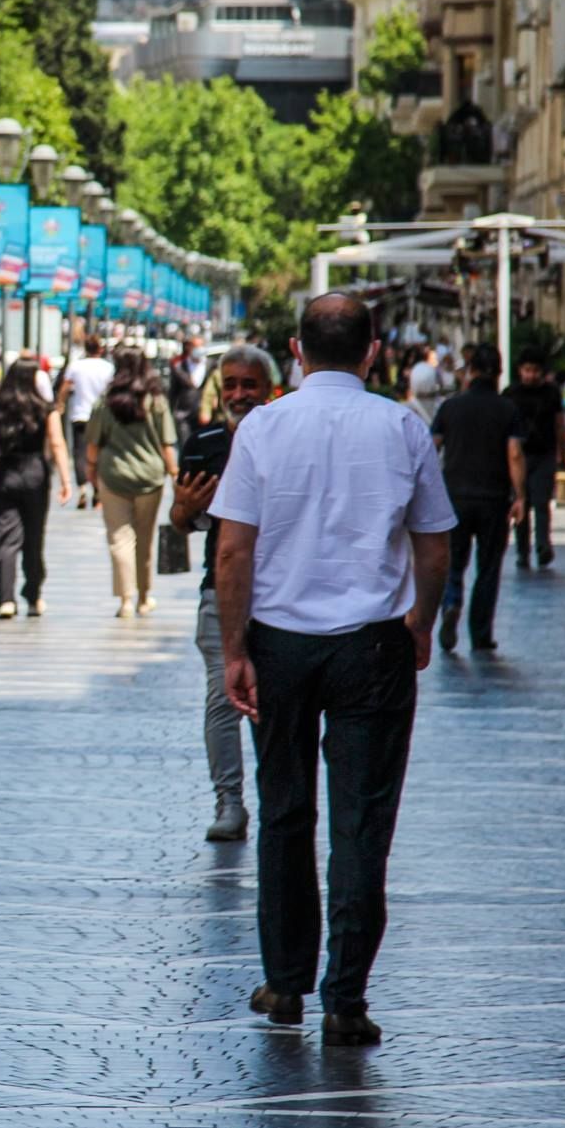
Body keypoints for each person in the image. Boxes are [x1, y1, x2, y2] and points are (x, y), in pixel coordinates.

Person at [211, 292, 455, 1047]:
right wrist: (419, 622)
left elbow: (231, 551)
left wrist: (233, 649)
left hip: (279, 641)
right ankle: (344, 997)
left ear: (294, 349)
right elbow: (434, 543)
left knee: (283, 812)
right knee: (360, 824)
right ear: (372, 350)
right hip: (371, 645)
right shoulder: (401, 426)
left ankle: (284, 982)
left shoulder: (262, 427)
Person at [168, 346, 275, 842]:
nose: (239, 394)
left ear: (269, 387)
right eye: (230, 384)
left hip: (281, 590)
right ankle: (229, 801)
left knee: (276, 700)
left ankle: (278, 797)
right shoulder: (203, 443)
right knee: (221, 695)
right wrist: (181, 511)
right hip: (221, 590)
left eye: (248, 385)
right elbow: (183, 520)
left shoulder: (288, 436)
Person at [431, 343, 526, 653]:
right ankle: (480, 632)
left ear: (469, 372)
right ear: (498, 374)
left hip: (454, 497)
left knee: (453, 562)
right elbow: (514, 454)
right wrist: (520, 496)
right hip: (493, 499)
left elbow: (432, 449)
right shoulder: (508, 409)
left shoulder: (450, 407)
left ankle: (451, 603)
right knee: (488, 567)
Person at [85, 348, 177, 618]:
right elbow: (167, 443)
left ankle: (126, 599)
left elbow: (93, 445)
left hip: (113, 477)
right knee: (145, 538)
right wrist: (175, 475)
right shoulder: (156, 401)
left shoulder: (106, 402)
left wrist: (91, 472)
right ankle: (145, 596)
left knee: (120, 538)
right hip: (150, 478)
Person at [0, 359, 73, 619]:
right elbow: (56, 443)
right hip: (35, 473)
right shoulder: (45, 409)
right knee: (34, 537)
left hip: (4, 473)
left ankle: (6, 600)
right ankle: (33, 595)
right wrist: (66, 481)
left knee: (5, 538)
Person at [502, 357, 564, 568]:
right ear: (520, 370)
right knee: (521, 503)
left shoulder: (551, 392)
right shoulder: (511, 394)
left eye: (535, 370)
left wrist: (561, 453)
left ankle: (542, 545)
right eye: (527, 369)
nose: (531, 374)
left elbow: (559, 423)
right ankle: (522, 551)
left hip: (544, 454)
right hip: (520, 455)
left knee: (541, 502)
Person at [56, 335, 115, 509]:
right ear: (101, 349)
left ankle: (82, 488)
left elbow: (65, 387)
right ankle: (98, 490)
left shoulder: (76, 366)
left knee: (80, 453)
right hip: (102, 417)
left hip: (80, 414)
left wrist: (60, 403)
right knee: (101, 453)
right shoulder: (108, 368)